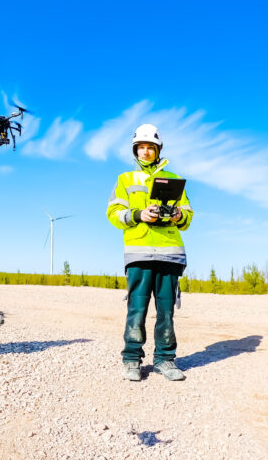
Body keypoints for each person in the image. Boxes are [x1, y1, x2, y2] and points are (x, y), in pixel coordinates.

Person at [106, 124, 193, 382]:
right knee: (137, 309)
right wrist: (138, 214)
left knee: (166, 312)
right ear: (135, 151)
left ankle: (165, 361)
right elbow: (113, 213)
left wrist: (178, 215)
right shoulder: (125, 180)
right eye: (141, 147)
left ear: (158, 150)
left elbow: (188, 216)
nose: (145, 152)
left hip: (169, 254)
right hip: (139, 253)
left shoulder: (174, 178)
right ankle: (132, 360)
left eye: (150, 148)